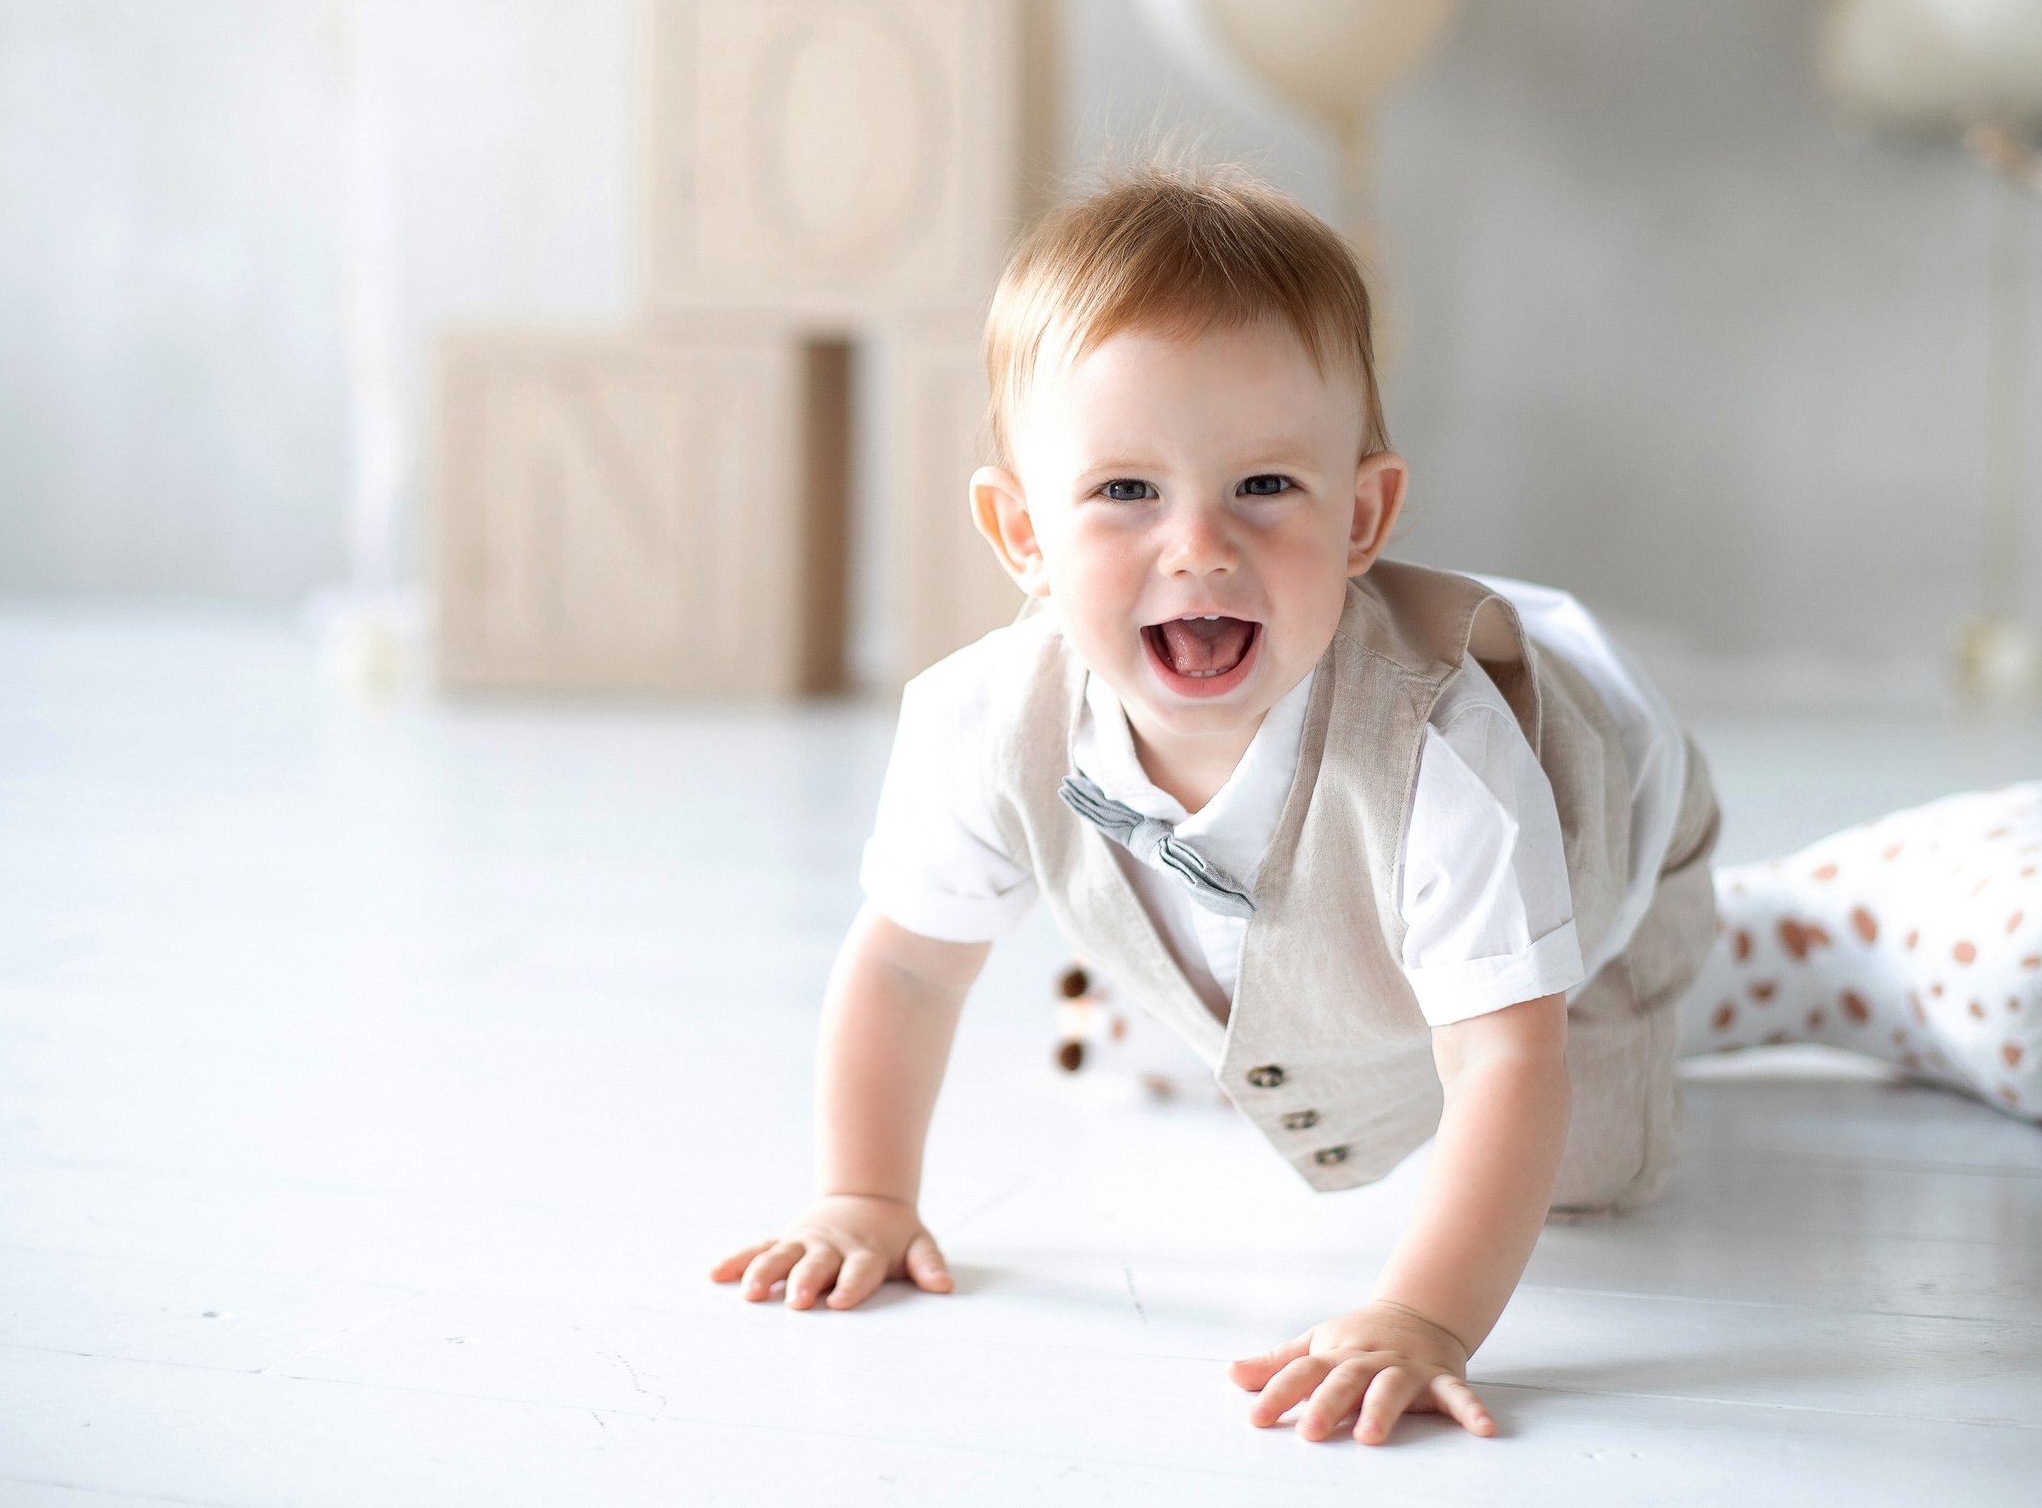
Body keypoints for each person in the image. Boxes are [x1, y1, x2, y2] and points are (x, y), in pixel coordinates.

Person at [709, 166, 1721, 1444]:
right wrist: (864, 1193)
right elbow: (908, 968)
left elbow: (1506, 1058)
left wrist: (1423, 1315)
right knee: (1270, 1006)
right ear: (1020, 534)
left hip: (1600, 855)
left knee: (1589, 1172)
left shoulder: (1444, 759)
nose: (1198, 547)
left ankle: (1751, 958)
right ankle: (1284, 991)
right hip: (1315, 930)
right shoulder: (980, 721)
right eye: (1126, 491)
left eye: (1264, 487)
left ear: (1361, 515)